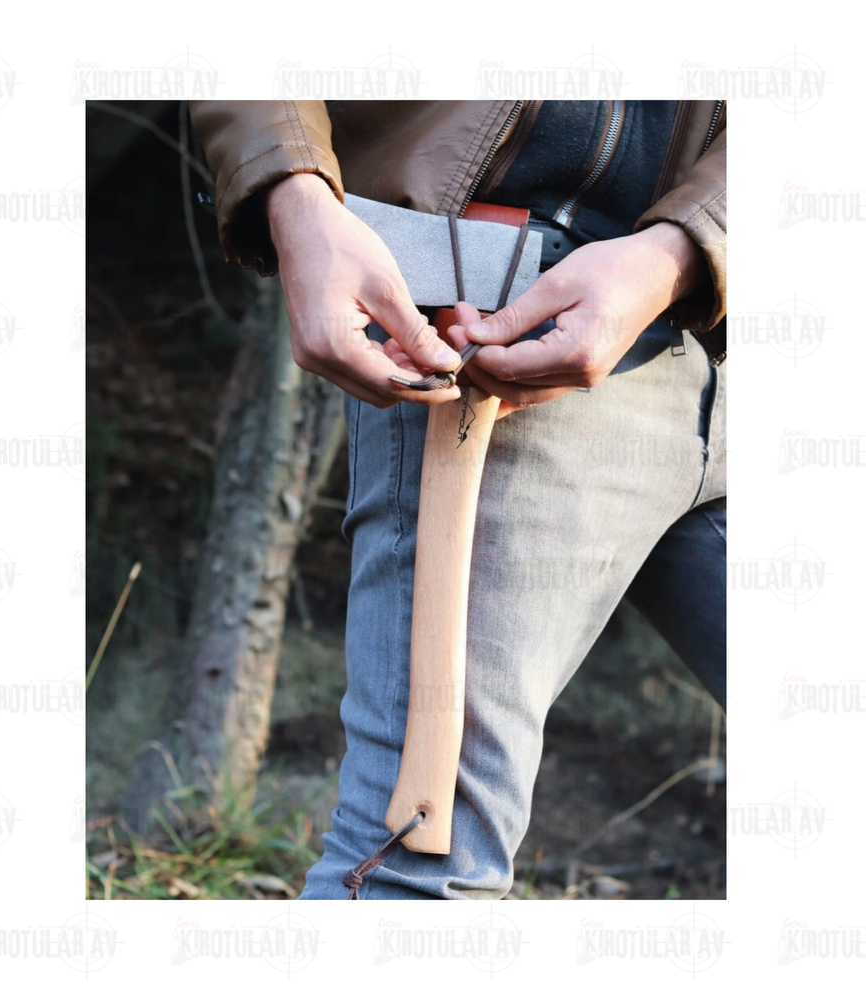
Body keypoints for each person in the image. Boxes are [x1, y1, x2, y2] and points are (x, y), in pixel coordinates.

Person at [189, 99, 726, 899]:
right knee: (422, 865)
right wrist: (291, 192)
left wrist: (689, 247)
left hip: (725, 317)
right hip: (490, 334)